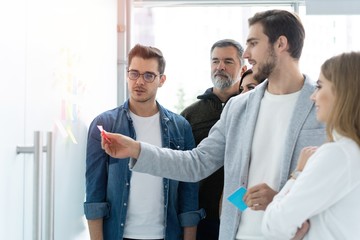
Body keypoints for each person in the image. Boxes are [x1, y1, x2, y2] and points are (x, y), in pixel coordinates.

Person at [99, 10, 326, 239]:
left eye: (253, 43)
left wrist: (282, 199)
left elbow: (337, 186)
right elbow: (197, 163)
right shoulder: (238, 108)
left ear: (281, 44)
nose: (246, 53)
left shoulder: (324, 106)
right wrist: (136, 149)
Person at [84, 44, 204, 240]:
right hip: (118, 234)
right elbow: (94, 192)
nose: (139, 81)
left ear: (161, 80)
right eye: (134, 74)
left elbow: (188, 193)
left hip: (167, 234)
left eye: (148, 75)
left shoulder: (180, 127)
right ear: (127, 75)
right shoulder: (105, 124)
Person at [262, 52, 360, 239]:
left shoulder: (338, 154)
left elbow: (273, 226)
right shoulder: (352, 151)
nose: (313, 96)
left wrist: (297, 174)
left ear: (343, 91)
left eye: (320, 86)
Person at [180, 39, 247, 240]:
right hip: (203, 219)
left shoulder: (252, 109)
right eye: (215, 61)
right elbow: (183, 168)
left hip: (245, 214)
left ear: (242, 68)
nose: (220, 67)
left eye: (228, 61)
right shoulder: (190, 115)